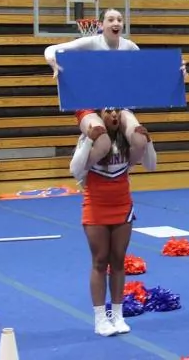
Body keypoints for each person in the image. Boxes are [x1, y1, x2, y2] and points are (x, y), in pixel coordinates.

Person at [44, 8, 185, 167]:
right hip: (90, 105)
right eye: (110, 20)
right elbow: (50, 49)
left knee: (140, 140)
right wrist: (52, 61)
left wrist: (176, 70)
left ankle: (122, 170)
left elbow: (149, 72)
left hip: (118, 105)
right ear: (101, 25)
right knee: (103, 143)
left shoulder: (129, 47)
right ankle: (82, 170)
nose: (116, 23)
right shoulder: (91, 42)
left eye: (119, 19)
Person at [70, 108, 157, 336]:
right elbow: (75, 170)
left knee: (118, 261)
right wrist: (90, 140)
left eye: (117, 111)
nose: (114, 115)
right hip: (96, 206)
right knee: (100, 261)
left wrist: (148, 141)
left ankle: (118, 315)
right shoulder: (90, 138)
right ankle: (100, 318)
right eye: (109, 111)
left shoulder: (127, 140)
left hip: (122, 206)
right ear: (101, 115)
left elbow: (151, 165)